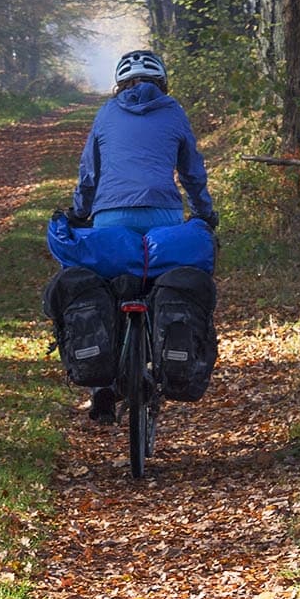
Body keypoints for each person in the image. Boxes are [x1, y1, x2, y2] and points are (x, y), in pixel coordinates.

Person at [70, 48, 216, 421]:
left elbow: (90, 173)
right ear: (162, 83)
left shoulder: (106, 114)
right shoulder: (174, 111)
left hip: (110, 218)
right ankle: (161, 354)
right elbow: (192, 173)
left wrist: (80, 211)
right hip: (163, 216)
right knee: (159, 283)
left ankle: (102, 385)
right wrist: (204, 212)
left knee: (107, 286)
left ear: (119, 84)